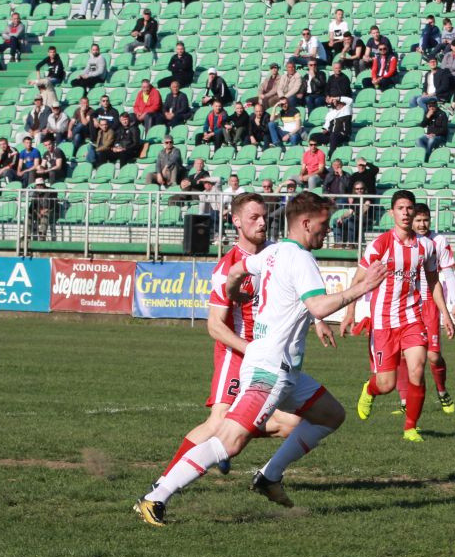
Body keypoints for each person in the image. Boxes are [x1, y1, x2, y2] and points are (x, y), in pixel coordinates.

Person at [134, 192, 388, 527]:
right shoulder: (299, 259)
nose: (328, 231)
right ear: (306, 223)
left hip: (285, 369)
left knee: (330, 415)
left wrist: (236, 286)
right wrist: (362, 288)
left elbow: (240, 268)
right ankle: (156, 497)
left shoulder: (275, 252)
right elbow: (318, 306)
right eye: (324, 225)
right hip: (270, 369)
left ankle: (269, 477)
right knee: (229, 440)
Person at [339, 190, 455, 443]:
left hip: (412, 318)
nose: (405, 212)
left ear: (414, 212)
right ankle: (369, 390)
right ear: (392, 213)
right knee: (386, 384)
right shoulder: (380, 244)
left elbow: (434, 280)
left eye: (409, 208)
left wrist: (445, 314)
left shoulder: (426, 246)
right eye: (400, 208)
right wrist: (350, 311)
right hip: (383, 322)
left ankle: (410, 427)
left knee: (417, 368)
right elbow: (359, 278)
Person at [403, 204, 455, 415]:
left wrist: (453, 304)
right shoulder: (404, 241)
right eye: (418, 220)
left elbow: (448, 274)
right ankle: (404, 400)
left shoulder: (438, 241)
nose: (422, 224)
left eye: (425, 220)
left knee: (433, 356)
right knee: (407, 355)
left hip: (430, 303)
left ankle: (442, 390)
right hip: (408, 302)